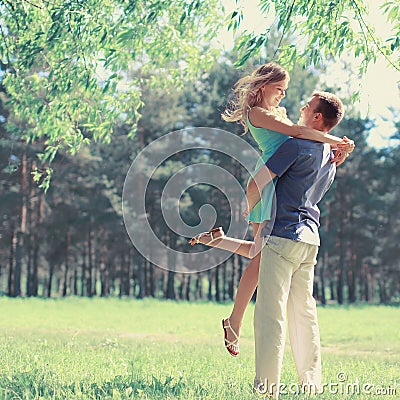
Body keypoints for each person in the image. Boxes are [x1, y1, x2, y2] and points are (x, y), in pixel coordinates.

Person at [191, 90, 351, 398]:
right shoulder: (331, 159)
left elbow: (258, 181)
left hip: (282, 235)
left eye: (308, 106)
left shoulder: (297, 145)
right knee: (305, 315)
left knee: (270, 317)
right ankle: (312, 385)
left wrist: (247, 211)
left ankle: (266, 390)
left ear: (317, 117)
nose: (302, 107)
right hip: (309, 241)